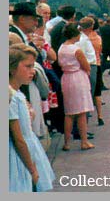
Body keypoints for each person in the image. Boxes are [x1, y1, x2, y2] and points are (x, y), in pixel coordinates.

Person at [9, 44, 55, 192]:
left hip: (29, 150)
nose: (32, 71)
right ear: (11, 69)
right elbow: (18, 139)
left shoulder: (17, 94)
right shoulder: (11, 98)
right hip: (18, 157)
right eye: (27, 67)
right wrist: (32, 169)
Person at [58, 24, 95, 151]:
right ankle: (84, 141)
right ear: (75, 35)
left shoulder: (61, 48)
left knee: (69, 112)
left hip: (66, 77)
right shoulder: (76, 50)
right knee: (82, 112)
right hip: (78, 78)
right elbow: (86, 66)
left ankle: (66, 143)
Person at [87, 16, 105, 126]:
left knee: (88, 92)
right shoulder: (98, 38)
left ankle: (87, 114)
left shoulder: (84, 38)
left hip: (87, 66)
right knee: (97, 93)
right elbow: (100, 50)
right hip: (97, 64)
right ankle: (100, 116)